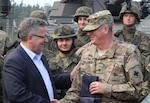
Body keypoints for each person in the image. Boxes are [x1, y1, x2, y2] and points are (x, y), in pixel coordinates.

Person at [51, 10, 144, 103]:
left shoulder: (128, 52)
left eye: (92, 30)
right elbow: (76, 90)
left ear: (105, 29)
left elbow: (137, 90)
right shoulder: (86, 52)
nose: (88, 34)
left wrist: (107, 89)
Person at [2, 17, 73, 103]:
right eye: (43, 37)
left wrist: (70, 77)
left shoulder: (40, 56)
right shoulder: (14, 61)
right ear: (30, 38)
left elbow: (44, 81)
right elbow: (17, 94)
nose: (46, 40)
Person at [48, 25, 80, 99]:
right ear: (56, 42)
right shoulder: (48, 63)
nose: (64, 43)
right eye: (61, 40)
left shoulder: (80, 63)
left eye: (67, 40)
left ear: (73, 41)